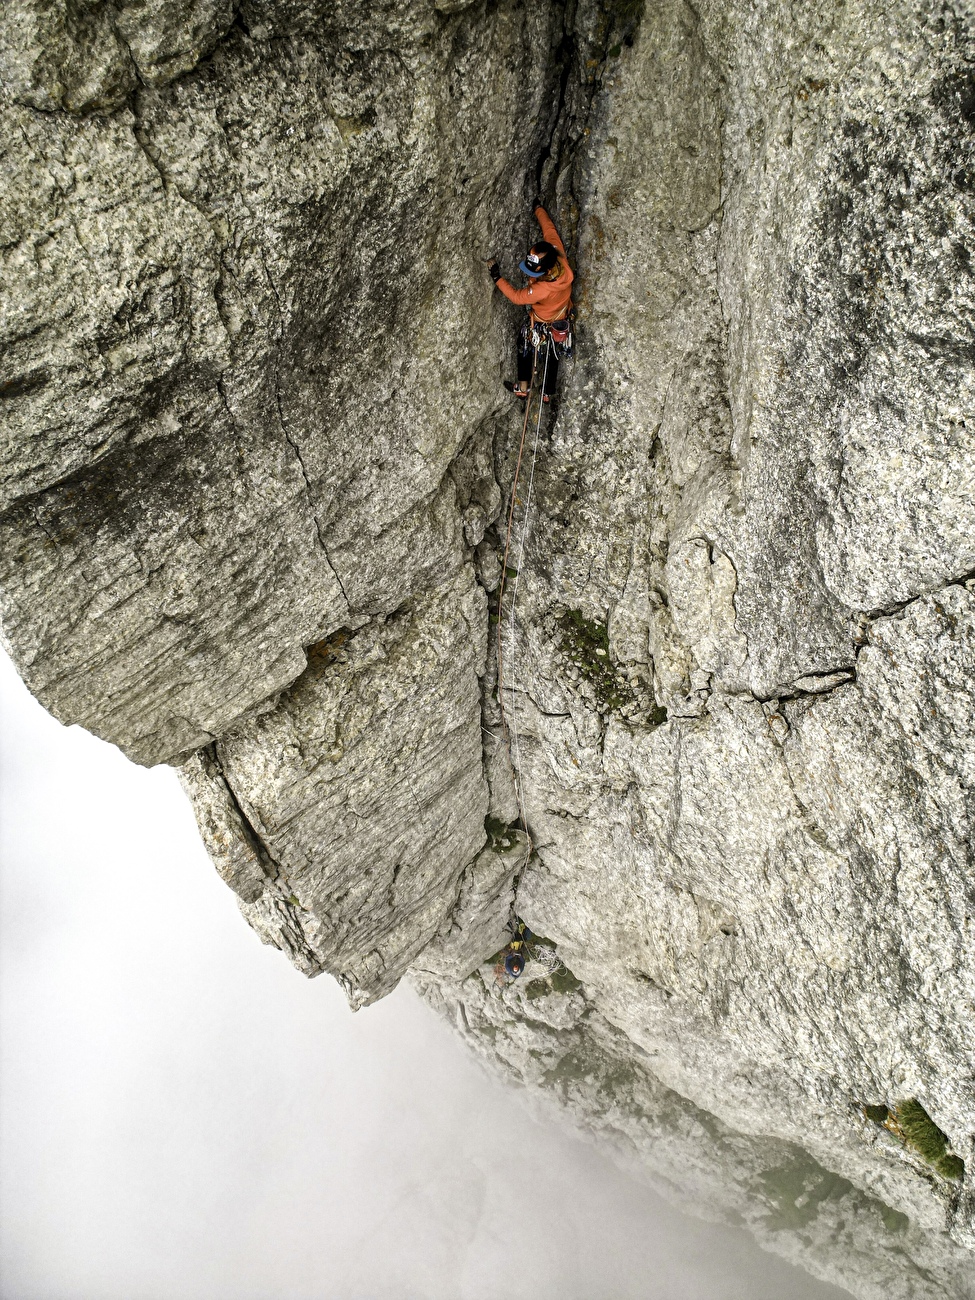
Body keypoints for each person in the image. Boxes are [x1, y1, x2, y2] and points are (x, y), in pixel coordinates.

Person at [487, 204, 574, 402]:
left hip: (542, 321)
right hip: (561, 318)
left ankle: (523, 387)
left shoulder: (543, 288)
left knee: (524, 344)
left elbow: (517, 297)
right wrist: (539, 209)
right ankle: (547, 392)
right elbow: (549, 230)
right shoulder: (557, 254)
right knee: (553, 352)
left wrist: (497, 277)